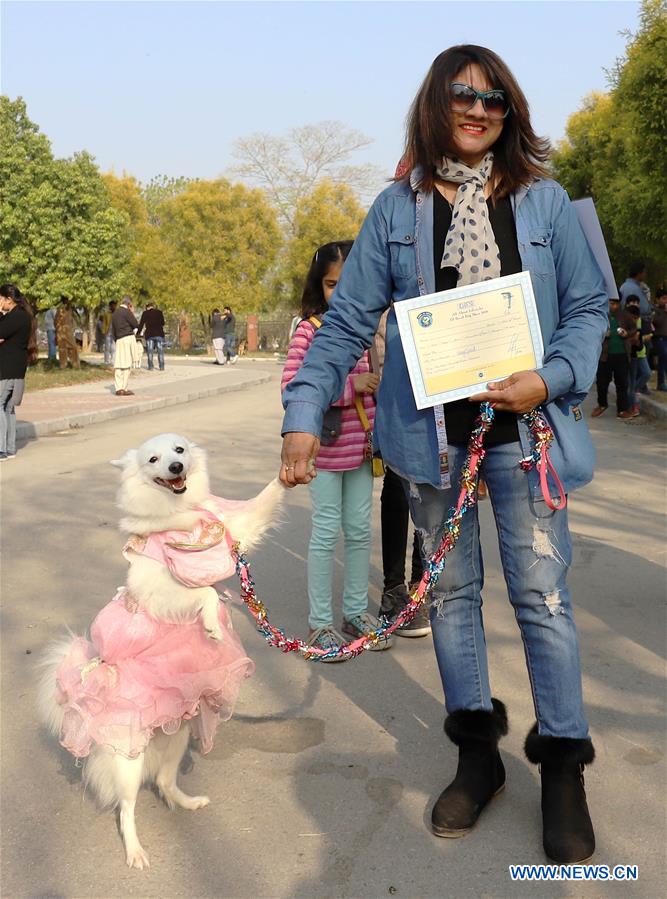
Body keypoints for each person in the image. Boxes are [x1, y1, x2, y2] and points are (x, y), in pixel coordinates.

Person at [279, 46, 608, 863]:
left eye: (493, 96)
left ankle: (562, 767)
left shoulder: (543, 201)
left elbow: (587, 304)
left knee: (541, 598)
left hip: (522, 438)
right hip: (431, 444)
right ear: (434, 104)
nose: (477, 107)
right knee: (452, 598)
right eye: (461, 94)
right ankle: (476, 758)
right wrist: (302, 411)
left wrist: (552, 376)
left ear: (509, 109)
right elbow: (349, 320)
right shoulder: (397, 209)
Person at [281, 241, 392, 659]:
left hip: (361, 451)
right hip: (325, 453)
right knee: (326, 532)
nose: (340, 293)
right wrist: (351, 388)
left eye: (348, 284)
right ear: (319, 285)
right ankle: (321, 623)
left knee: (361, 531)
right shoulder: (309, 330)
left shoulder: (366, 334)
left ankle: (355, 613)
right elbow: (293, 389)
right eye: (331, 285)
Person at [373, 311, 430, 637]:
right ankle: (394, 591)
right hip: (395, 405)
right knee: (396, 489)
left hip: (437, 401)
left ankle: (421, 585)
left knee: (430, 491)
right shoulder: (382, 300)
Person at [0, 284, 37, 460]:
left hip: (8, 368)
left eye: (0, 299)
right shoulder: (22, 316)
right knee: (8, 408)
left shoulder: (16, 317)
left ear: (9, 299)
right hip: (16, 368)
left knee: (1, 406)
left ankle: (2, 449)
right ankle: (9, 448)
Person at [591, 297, 637, 419]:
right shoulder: (601, 315)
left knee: (622, 383)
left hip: (621, 354)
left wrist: (627, 333)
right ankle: (602, 404)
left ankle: (622, 410)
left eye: (616, 304)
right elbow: (592, 330)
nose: (613, 306)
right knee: (601, 382)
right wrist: (603, 333)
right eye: (611, 303)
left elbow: (633, 328)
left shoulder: (625, 315)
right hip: (604, 355)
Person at [625, 295, 652, 416]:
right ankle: (632, 407)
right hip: (630, 356)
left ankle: (633, 393)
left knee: (646, 373)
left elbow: (648, 333)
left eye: (636, 302)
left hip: (640, 353)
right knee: (630, 381)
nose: (634, 304)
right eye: (631, 302)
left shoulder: (640, 318)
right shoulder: (625, 319)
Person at [111, 296, 140, 396]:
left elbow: (113, 330)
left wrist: (116, 340)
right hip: (128, 337)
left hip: (119, 339)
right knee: (127, 364)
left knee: (118, 364)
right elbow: (135, 324)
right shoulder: (127, 312)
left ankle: (118, 388)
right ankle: (124, 387)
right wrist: (131, 312)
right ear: (129, 304)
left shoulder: (114, 314)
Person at [137, 301, 166, 371]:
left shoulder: (145, 313)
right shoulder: (159, 312)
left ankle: (150, 366)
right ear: (153, 306)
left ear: (147, 307)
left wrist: (138, 333)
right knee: (160, 351)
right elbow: (163, 323)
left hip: (149, 334)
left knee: (150, 351)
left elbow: (141, 324)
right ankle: (161, 367)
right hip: (159, 334)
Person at [54, 297, 80, 370]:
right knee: (62, 349)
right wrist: (57, 331)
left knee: (73, 347)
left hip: (69, 332)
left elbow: (71, 321)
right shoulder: (60, 310)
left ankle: (75, 364)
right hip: (61, 332)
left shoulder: (70, 310)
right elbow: (56, 321)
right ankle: (63, 365)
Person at [652, 289, 667, 391]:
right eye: (664, 298)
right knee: (664, 355)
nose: (665, 301)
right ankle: (661, 383)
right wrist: (664, 313)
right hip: (658, 337)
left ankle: (662, 382)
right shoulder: (654, 310)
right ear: (657, 299)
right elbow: (656, 322)